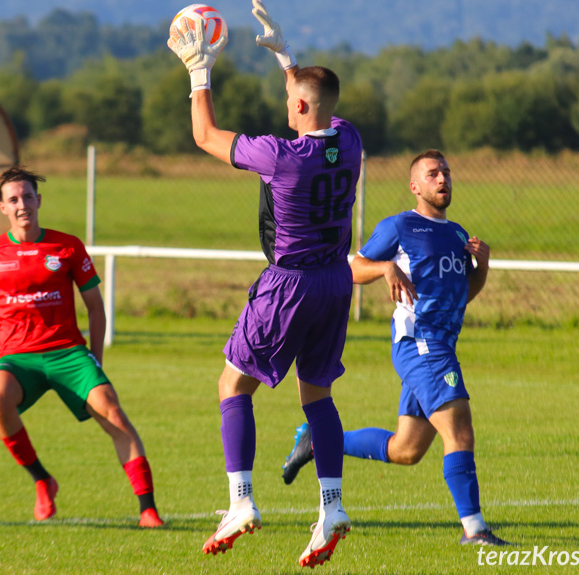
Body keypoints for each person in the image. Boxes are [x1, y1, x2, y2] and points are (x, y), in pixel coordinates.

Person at [168, 0, 362, 567]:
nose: (285, 105)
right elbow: (310, 97)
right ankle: (331, 506)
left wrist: (198, 69)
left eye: (287, 100)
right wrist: (286, 56)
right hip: (335, 280)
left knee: (232, 387)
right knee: (318, 395)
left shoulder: (281, 158)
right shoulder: (349, 141)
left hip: (290, 284)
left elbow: (205, 135)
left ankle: (241, 502)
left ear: (299, 106)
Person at [280, 149, 513, 546]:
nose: (443, 179)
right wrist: (386, 267)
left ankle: (317, 442)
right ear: (415, 186)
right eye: (433, 174)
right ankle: (475, 531)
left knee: (407, 449)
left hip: (440, 345)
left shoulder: (458, 234)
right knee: (459, 430)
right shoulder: (399, 227)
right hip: (420, 343)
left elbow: (462, 295)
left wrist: (482, 267)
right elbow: (352, 268)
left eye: (447, 173)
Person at [0, 165, 163, 528]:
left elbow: (96, 308)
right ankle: (41, 479)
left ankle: (147, 509)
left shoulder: (67, 246)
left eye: (27, 197)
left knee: (113, 414)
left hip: (68, 353)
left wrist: (95, 359)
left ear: (39, 200)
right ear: (3, 208)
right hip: (17, 360)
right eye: (13, 199)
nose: (22, 204)